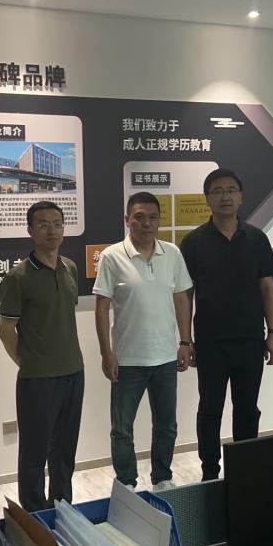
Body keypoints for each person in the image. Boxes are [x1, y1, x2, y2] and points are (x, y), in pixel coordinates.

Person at [181, 168, 273, 481]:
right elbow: (185, 294)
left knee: (247, 408)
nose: (224, 196)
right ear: (207, 199)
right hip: (210, 343)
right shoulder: (193, 242)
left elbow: (268, 288)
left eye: (230, 190)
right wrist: (185, 340)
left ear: (240, 197)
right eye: (217, 191)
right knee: (210, 410)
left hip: (250, 340)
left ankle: (244, 469)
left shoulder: (257, 239)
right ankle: (209, 472)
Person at [94, 192, 193, 491]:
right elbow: (101, 308)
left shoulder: (172, 254)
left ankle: (162, 478)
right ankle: (126, 483)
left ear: (159, 220)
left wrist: (185, 341)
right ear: (127, 220)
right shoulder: (112, 256)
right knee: (122, 430)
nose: (146, 223)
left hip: (165, 358)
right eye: (139, 217)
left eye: (152, 217)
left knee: (167, 426)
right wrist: (106, 353)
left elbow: (181, 298)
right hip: (127, 360)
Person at [0, 202, 84, 512]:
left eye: (57, 223)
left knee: (65, 449)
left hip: (74, 371)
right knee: (34, 453)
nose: (52, 230)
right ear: (31, 231)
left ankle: (62, 507)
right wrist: (29, 362)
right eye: (44, 224)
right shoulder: (18, 277)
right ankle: (34, 514)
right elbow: (6, 331)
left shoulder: (70, 267)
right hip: (37, 379)